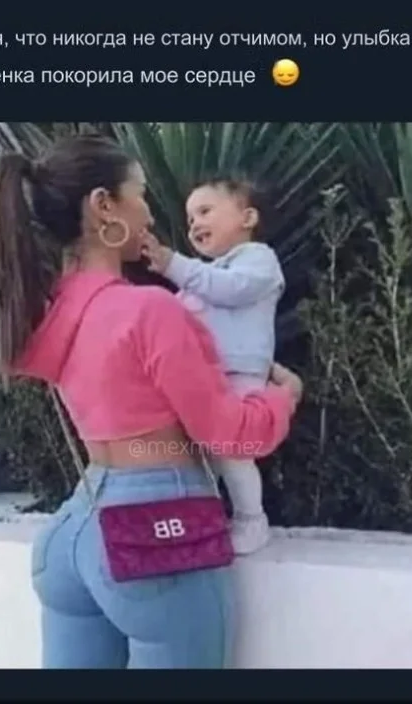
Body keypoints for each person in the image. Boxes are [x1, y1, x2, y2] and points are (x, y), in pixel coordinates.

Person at [0, 132, 303, 669]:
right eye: (141, 194)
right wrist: (281, 399)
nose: (150, 213)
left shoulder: (58, 315)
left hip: (76, 530)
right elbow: (226, 434)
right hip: (157, 537)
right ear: (104, 205)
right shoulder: (151, 311)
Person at [141, 177, 284, 554]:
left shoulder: (258, 259)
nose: (194, 224)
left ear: (247, 218)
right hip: (209, 376)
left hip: (240, 373)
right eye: (190, 219)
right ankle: (209, 519)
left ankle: (252, 520)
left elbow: (230, 289)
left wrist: (172, 264)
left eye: (205, 211)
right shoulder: (205, 275)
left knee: (232, 451)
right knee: (205, 455)